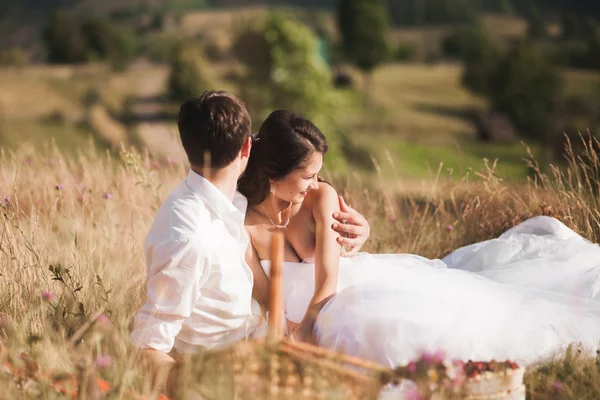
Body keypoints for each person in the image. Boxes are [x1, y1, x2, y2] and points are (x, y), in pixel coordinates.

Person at [238, 109, 600, 368]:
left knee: (405, 324)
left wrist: (307, 329)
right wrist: (286, 331)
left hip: (338, 294)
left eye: (318, 174)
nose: (317, 183)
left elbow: (328, 279)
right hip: (292, 313)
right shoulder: (242, 225)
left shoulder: (321, 197)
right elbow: (264, 293)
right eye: (308, 176)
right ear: (274, 174)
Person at [129, 92, 371, 391]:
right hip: (230, 368)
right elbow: (149, 345)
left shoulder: (232, 202)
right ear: (247, 147)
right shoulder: (193, 237)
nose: (315, 183)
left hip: (271, 340)